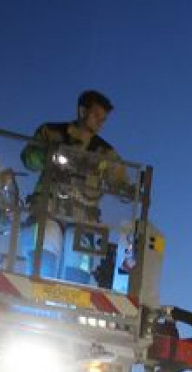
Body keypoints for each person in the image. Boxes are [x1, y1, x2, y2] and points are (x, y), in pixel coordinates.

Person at [20, 90, 128, 283]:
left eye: (103, 119)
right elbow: (28, 158)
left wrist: (127, 189)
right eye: (96, 116)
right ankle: (36, 300)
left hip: (83, 218)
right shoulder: (51, 132)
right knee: (46, 242)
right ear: (81, 111)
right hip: (48, 209)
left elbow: (120, 180)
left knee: (77, 259)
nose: (100, 123)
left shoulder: (106, 152)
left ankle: (69, 309)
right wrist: (48, 156)